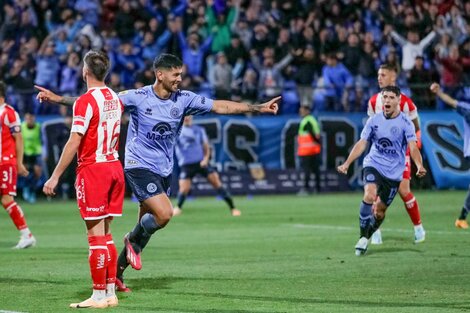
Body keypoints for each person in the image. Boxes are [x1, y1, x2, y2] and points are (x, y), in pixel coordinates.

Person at [35, 53, 280, 293]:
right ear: (159, 74)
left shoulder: (184, 99)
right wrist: (58, 99)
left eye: (181, 75)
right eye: (175, 75)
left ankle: (117, 274)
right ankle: (130, 243)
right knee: (164, 214)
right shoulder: (138, 97)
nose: (179, 79)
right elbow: (96, 101)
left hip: (163, 169)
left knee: (143, 231)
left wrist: (258, 107)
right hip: (137, 165)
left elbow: (220, 106)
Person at [40, 50, 125, 309]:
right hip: (114, 167)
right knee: (108, 235)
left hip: (94, 170)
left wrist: (54, 176)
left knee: (95, 237)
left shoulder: (85, 102)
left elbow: (74, 140)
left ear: (85, 72)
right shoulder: (115, 98)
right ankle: (110, 292)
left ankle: (98, 295)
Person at [337, 85, 427, 256]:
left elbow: (413, 147)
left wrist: (419, 165)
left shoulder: (406, 123)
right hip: (374, 164)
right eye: (385, 97)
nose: (387, 100)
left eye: (391, 97)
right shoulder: (374, 120)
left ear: (398, 101)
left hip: (394, 173)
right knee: (370, 195)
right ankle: (363, 237)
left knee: (379, 212)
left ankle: (368, 235)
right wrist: (347, 163)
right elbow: (362, 143)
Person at [367, 63, 426, 244]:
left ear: (393, 77)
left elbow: (415, 128)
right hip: (379, 155)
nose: (379, 78)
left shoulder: (407, 103)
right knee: (373, 191)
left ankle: (418, 228)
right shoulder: (372, 101)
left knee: (403, 190)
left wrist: (412, 147)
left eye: (383, 74)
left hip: (399, 155)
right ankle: (375, 231)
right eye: (378, 74)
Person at [173, 115, 241, 217]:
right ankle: (178, 207)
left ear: (192, 117)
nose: (187, 118)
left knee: (217, 183)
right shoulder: (177, 131)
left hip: (201, 163)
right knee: (184, 189)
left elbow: (206, 146)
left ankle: (233, 208)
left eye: (189, 116)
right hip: (186, 165)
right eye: (185, 116)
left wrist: (205, 159)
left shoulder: (199, 130)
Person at [0, 81, 36, 249]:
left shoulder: (8, 113)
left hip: (5, 163)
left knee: (7, 199)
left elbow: (18, 138)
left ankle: (26, 235)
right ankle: (26, 234)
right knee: (5, 200)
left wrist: (19, 162)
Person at [429, 83, 470, 229]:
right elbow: (452, 102)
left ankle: (461, 218)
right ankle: (461, 218)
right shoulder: (467, 108)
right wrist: (439, 92)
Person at [297, 105, 321, 195]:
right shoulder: (312, 120)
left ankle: (306, 189)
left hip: (307, 151)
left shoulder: (307, 121)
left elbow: (312, 134)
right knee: (315, 170)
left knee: (307, 170)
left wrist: (316, 142)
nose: (300, 112)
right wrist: (318, 143)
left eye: (302, 110)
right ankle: (317, 189)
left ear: (307, 111)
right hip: (314, 150)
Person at [21, 113, 43, 203]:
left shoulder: (38, 127)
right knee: (25, 173)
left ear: (34, 118)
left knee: (37, 174)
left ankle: (33, 192)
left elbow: (42, 140)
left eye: (31, 118)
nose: (29, 120)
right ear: (25, 119)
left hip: (36, 153)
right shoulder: (21, 127)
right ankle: (26, 190)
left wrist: (43, 152)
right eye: (27, 118)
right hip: (25, 153)